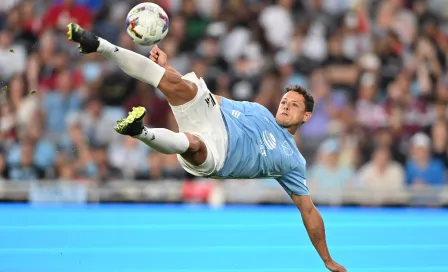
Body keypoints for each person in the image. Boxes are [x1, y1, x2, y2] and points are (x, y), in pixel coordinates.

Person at [66, 23, 347, 272]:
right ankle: (97, 44)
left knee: (192, 143)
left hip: (218, 156)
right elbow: (209, 98)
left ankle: (141, 131)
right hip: (213, 119)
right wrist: (167, 67)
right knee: (176, 84)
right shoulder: (257, 110)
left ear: (306, 116)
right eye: (285, 101)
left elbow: (309, 211)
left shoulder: (293, 161)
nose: (285, 106)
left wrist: (327, 260)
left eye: (294, 105)